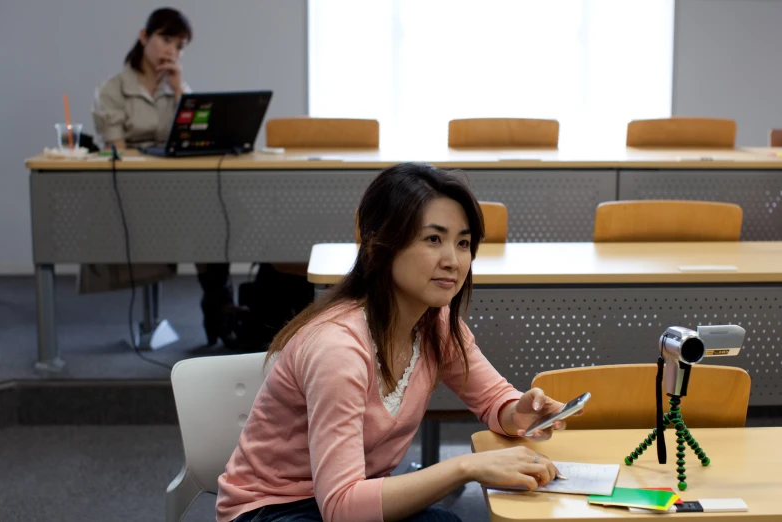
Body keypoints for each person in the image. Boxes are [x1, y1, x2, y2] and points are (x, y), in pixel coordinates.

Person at [216, 163, 578, 522]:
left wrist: (519, 412)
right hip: (268, 508)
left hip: (344, 495)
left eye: (463, 243)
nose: (453, 261)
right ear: (380, 245)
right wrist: (465, 467)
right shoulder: (337, 349)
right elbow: (342, 510)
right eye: (433, 239)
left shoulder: (436, 325)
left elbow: (493, 400)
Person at [90, 8, 237, 348]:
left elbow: (195, 140)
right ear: (145, 37)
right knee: (204, 220)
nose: (172, 50)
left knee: (214, 219)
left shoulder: (179, 90)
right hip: (134, 192)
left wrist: (178, 88)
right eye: (166, 39)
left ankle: (220, 307)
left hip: (178, 189)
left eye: (180, 45)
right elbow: (118, 150)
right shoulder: (112, 90)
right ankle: (219, 308)